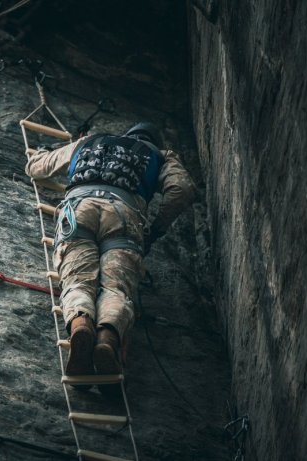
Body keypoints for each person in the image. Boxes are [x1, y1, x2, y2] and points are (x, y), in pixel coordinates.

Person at [25, 122, 195, 392]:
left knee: (77, 281)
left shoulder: (91, 142)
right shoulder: (160, 156)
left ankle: (81, 324)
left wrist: (40, 153)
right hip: (124, 215)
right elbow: (182, 189)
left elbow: (38, 167)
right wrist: (156, 229)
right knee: (116, 287)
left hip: (78, 210)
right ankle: (107, 339)